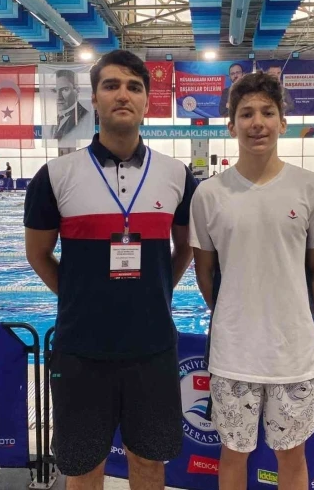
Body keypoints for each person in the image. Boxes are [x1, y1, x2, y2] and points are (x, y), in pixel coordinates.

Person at [24, 50, 196, 490]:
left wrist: (157, 293)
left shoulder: (176, 175)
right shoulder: (55, 175)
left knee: (150, 461)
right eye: (111, 85)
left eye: (134, 87)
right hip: (81, 349)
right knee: (83, 467)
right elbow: (38, 254)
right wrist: (80, 297)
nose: (123, 95)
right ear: (94, 99)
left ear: (147, 102)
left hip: (152, 348)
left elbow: (185, 248)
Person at [190, 72, 314, 490]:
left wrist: (295, 317)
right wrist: (234, 314)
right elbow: (204, 272)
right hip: (233, 352)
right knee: (232, 454)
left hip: (293, 354)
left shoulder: (310, 188)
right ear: (231, 126)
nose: (257, 122)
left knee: (292, 455)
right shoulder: (209, 195)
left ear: (283, 123)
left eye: (267, 113)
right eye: (246, 114)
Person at [51, 70, 89, 140]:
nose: (58, 97)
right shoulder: (56, 119)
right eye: (54, 91)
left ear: (77, 90)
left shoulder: (85, 117)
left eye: (65, 89)